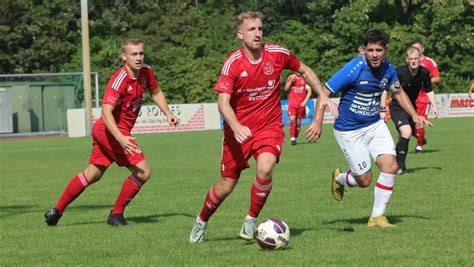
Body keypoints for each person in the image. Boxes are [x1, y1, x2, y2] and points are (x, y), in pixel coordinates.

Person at [189, 11, 337, 244]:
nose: (257, 33)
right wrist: (236, 125)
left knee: (265, 168)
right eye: (251, 29)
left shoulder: (277, 54)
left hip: (269, 127)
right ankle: (201, 220)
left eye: (260, 28)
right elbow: (222, 102)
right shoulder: (233, 63)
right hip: (237, 132)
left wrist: (322, 94)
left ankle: (251, 219)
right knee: (226, 186)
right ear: (240, 34)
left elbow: (304, 69)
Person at [44, 38, 179, 226]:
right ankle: (116, 214)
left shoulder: (146, 72)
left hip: (111, 132)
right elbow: (106, 113)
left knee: (93, 174)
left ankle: (56, 211)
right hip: (111, 131)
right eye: (134, 54)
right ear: (124, 56)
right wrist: (121, 138)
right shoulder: (119, 80)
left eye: (141, 53)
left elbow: (155, 92)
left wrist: (168, 113)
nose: (138, 58)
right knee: (143, 172)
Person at [305, 30, 432, 227]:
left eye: (379, 50)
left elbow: (398, 93)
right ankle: (339, 178)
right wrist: (318, 121)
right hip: (349, 130)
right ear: (364, 50)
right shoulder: (353, 68)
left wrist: (414, 114)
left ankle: (376, 217)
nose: (374, 54)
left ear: (385, 50)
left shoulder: (388, 69)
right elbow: (324, 92)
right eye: (370, 49)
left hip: (374, 125)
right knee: (364, 180)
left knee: (391, 166)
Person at [390, 46, 438, 174]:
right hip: (397, 107)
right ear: (407, 59)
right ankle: (400, 166)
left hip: (412, 109)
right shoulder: (399, 72)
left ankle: (417, 139)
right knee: (406, 131)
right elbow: (385, 89)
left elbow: (429, 90)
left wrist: (434, 106)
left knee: (408, 133)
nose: (413, 61)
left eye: (416, 58)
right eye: (410, 59)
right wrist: (382, 109)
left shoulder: (424, 73)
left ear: (419, 59)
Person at [411, 39, 441, 153]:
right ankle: (420, 138)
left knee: (419, 121)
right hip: (411, 96)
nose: (415, 51)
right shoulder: (411, 61)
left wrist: (424, 81)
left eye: (417, 48)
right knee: (407, 123)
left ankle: (419, 147)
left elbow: (437, 78)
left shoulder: (429, 62)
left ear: (422, 49)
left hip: (423, 97)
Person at [285, 73, 311, 145]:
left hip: (301, 104)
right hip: (292, 104)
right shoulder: (292, 78)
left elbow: (309, 90)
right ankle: (292, 138)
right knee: (292, 120)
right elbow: (286, 88)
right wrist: (290, 80)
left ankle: (295, 137)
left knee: (298, 122)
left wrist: (305, 101)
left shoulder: (304, 79)